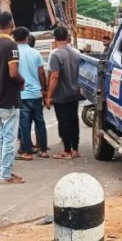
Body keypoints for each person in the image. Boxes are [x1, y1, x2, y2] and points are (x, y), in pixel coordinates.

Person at [0, 11, 26, 184]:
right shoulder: (11, 46)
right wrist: (21, 81)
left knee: (1, 137)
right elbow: (13, 72)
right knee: (9, 138)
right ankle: (5, 175)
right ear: (12, 24)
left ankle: (3, 170)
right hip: (10, 98)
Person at [45, 26, 82, 159]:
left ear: (55, 38)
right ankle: (75, 149)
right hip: (74, 93)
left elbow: (54, 76)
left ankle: (67, 151)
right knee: (74, 120)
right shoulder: (76, 53)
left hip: (61, 94)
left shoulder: (55, 54)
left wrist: (49, 96)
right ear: (67, 37)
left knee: (64, 121)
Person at [13, 27, 48, 160]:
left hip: (21, 94)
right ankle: (43, 151)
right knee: (40, 122)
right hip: (35, 93)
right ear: (27, 37)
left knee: (24, 124)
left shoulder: (14, 53)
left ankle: (27, 152)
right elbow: (41, 73)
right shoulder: (35, 53)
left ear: (14, 38)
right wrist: (43, 89)